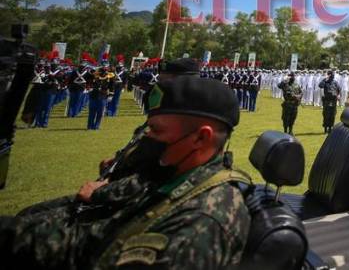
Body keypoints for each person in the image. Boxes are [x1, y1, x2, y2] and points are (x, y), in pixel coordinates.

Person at [0, 74, 251, 268]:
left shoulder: (201, 222)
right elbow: (95, 240)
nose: (148, 138)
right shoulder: (173, 178)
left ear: (200, 138)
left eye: (157, 131)